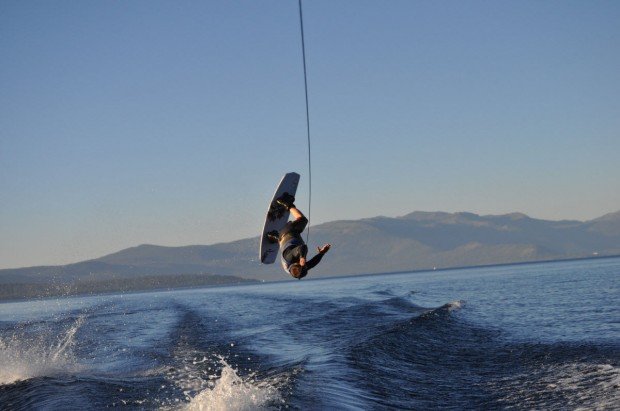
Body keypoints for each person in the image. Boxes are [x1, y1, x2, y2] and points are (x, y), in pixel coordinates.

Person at [267, 193, 330, 279]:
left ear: (296, 263)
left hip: (288, 232)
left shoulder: (289, 258)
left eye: (302, 265)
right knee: (289, 241)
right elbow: (313, 263)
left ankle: (285, 203)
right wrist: (322, 253)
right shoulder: (295, 270)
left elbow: (302, 248)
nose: (305, 265)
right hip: (283, 240)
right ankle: (273, 237)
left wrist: (302, 258)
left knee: (303, 220)